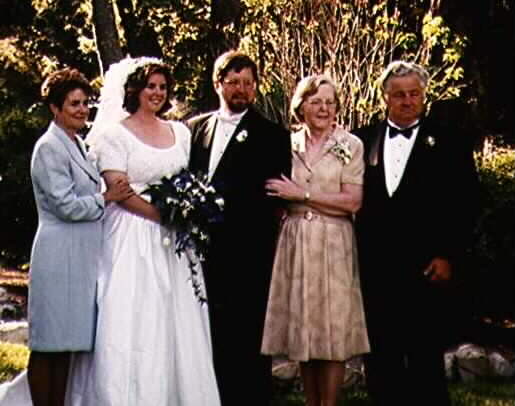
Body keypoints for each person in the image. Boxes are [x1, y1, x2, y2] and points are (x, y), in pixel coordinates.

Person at [65, 57, 221, 405]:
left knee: (176, 318)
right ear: (135, 89)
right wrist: (162, 215)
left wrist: (186, 212)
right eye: (151, 86)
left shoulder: (180, 133)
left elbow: (187, 179)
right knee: (132, 314)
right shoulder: (113, 134)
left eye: (163, 87)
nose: (157, 93)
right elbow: (118, 189)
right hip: (131, 235)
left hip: (174, 242)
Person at [0, 67, 132, 406]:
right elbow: (65, 205)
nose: (82, 110)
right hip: (58, 255)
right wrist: (106, 198)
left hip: (81, 256)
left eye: (85, 103)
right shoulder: (49, 147)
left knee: (68, 345)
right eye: (73, 104)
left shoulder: (76, 143)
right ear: (55, 108)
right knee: (48, 346)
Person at [352, 61, 479, 406]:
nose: (407, 101)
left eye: (414, 94)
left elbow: (466, 203)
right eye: (399, 95)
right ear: (385, 98)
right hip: (376, 268)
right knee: (380, 359)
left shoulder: (449, 140)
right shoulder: (362, 140)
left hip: (426, 267)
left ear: (423, 95)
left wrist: (448, 255)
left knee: (425, 359)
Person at [187, 50, 291, 406]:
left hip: (248, 252)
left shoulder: (272, 135)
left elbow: (274, 198)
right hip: (200, 251)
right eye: (233, 82)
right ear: (218, 84)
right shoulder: (195, 128)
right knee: (207, 332)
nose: (241, 90)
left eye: (248, 83)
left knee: (246, 336)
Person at [261, 74, 370, 406]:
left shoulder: (350, 145)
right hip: (295, 240)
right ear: (301, 106)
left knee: (332, 327)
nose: (324, 109)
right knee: (305, 326)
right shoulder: (286, 144)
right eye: (316, 101)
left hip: (334, 240)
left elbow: (352, 201)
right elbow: (273, 190)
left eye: (330, 102)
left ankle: (329, 403)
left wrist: (303, 194)